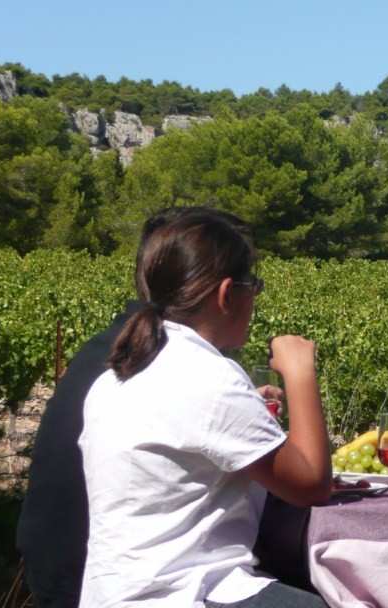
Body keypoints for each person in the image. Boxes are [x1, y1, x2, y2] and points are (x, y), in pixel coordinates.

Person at [77, 208, 332, 606]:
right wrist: (300, 373)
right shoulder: (210, 377)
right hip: (184, 593)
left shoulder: (117, 376)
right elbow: (312, 484)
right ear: (227, 294)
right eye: (254, 287)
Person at [17, 206, 268, 607]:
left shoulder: (116, 350)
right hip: (100, 578)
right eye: (251, 285)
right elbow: (307, 483)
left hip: (65, 567)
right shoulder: (165, 361)